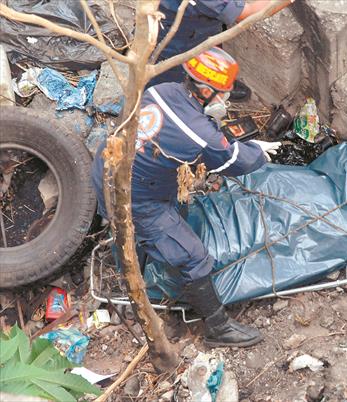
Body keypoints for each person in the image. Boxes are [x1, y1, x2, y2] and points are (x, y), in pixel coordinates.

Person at [92, 47, 282, 347]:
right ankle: (218, 328)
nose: (225, 100)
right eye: (222, 94)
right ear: (205, 90)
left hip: (109, 170)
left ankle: (140, 259)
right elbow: (235, 162)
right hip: (134, 199)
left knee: (169, 213)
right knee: (193, 257)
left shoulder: (163, 89)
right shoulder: (197, 131)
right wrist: (256, 151)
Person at [149, 0, 294, 95]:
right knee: (166, 85)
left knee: (208, 49)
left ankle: (213, 85)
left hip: (196, 26)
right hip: (175, 40)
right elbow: (249, 13)